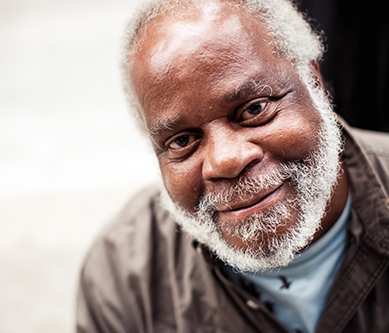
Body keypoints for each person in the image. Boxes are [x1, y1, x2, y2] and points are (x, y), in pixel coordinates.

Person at [76, 0, 389, 332]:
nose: (226, 160)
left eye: (254, 109)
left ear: (314, 83)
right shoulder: (123, 279)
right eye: (182, 141)